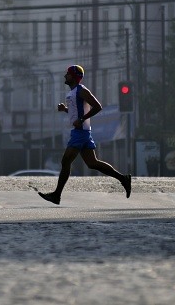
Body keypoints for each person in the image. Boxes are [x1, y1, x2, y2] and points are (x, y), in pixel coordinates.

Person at [39, 65, 131, 205]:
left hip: (80, 132)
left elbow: (98, 106)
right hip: (82, 131)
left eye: (68, 74)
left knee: (65, 161)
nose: (65, 76)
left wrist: (81, 120)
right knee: (92, 163)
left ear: (74, 77)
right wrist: (65, 110)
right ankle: (123, 179)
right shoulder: (74, 92)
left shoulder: (82, 90)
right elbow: (77, 112)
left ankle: (56, 195)